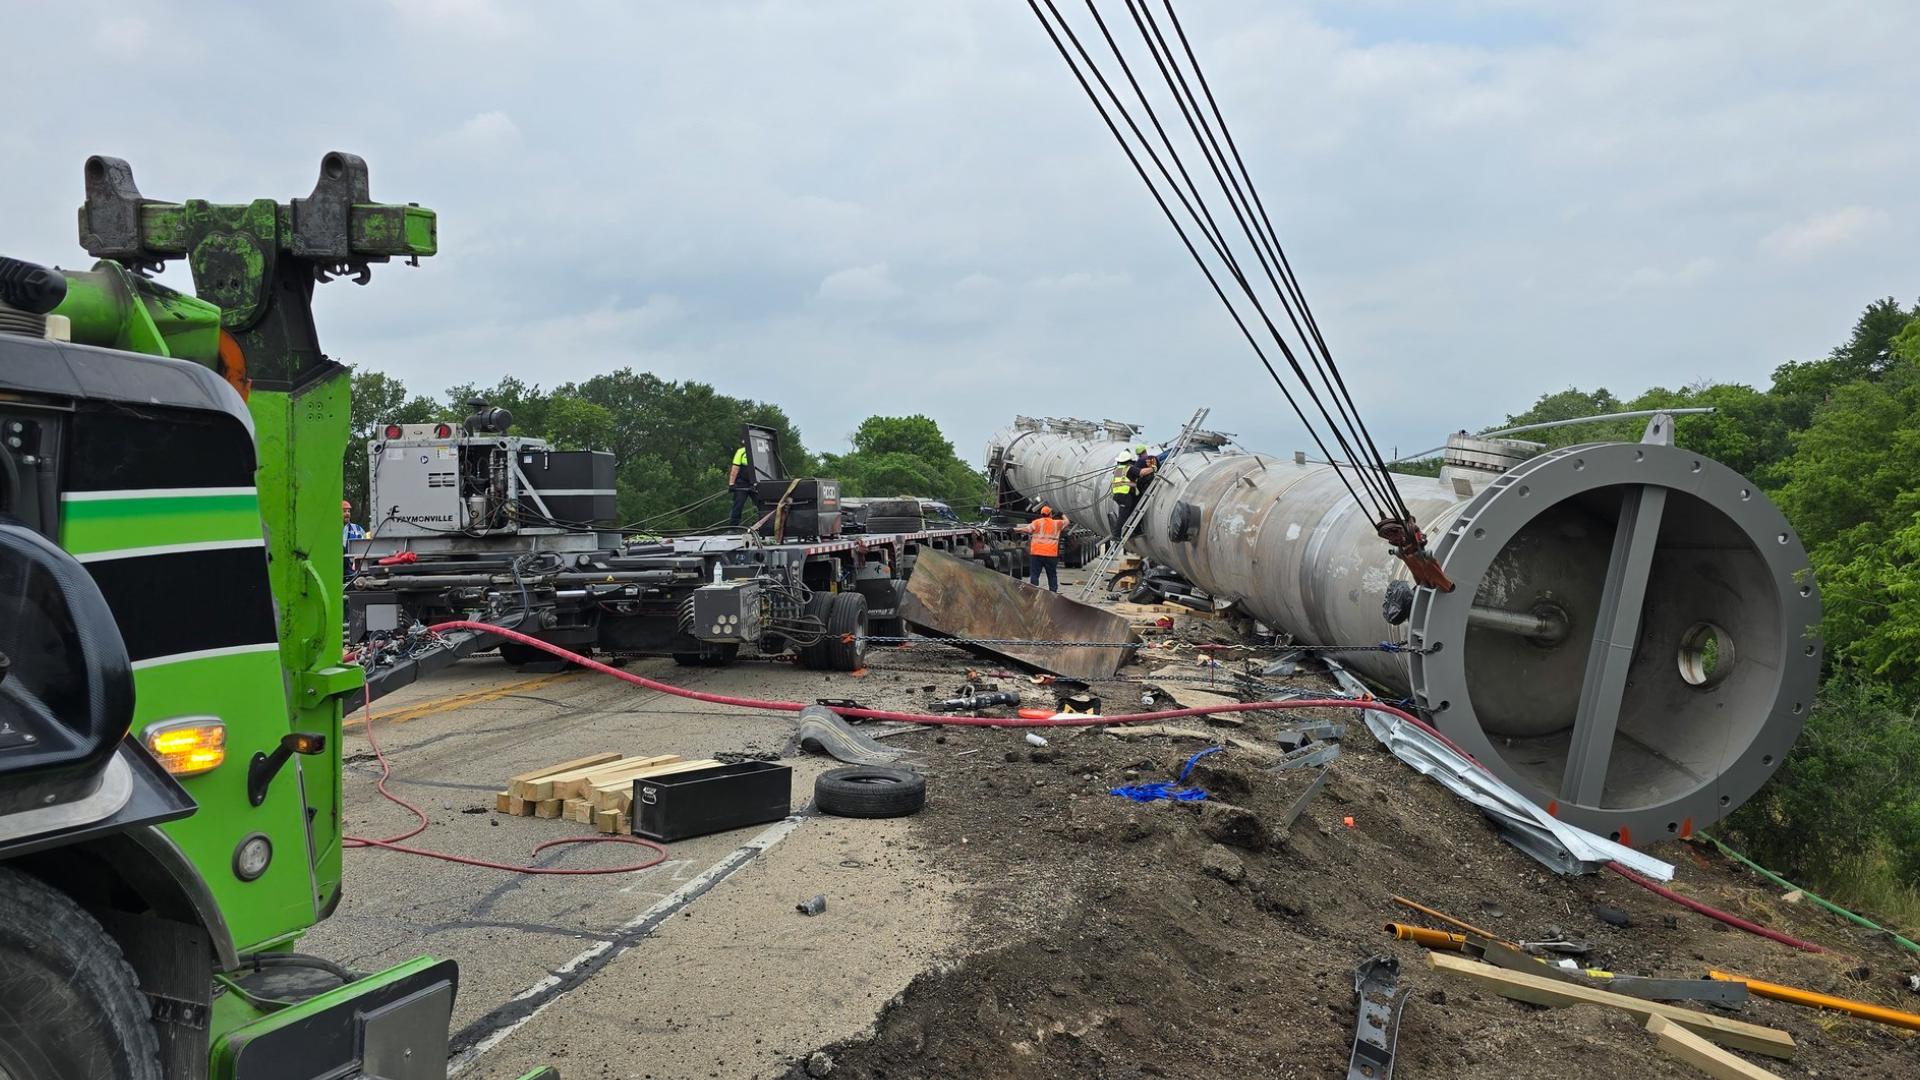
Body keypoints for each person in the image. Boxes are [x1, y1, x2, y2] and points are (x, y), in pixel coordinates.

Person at [1017, 505, 1069, 592]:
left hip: (1037, 554)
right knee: (1052, 575)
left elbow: (1026, 529)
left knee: (1034, 575)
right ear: (1050, 514)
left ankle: (1033, 592)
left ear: (1041, 514)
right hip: (1051, 555)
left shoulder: (1037, 523)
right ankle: (1053, 593)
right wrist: (1062, 514)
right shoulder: (1056, 523)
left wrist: (1014, 529)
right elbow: (1067, 522)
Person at [727, 438, 759, 527]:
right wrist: (732, 484)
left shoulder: (741, 452)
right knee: (760, 504)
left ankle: (733, 528)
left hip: (751, 483)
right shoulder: (743, 452)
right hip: (744, 484)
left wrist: (731, 484)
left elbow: (735, 469)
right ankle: (733, 527)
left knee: (739, 505)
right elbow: (735, 468)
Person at [1110, 450, 1138, 528]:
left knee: (1123, 515)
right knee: (1122, 517)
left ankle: (1119, 533)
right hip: (1124, 496)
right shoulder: (1128, 469)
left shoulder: (1118, 470)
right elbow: (1140, 473)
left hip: (1117, 496)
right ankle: (1116, 535)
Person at [342, 500, 367, 578]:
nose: (347, 514)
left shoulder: (358, 530)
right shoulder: (330, 530)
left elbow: (365, 548)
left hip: (354, 570)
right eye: (344, 511)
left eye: (348, 511)